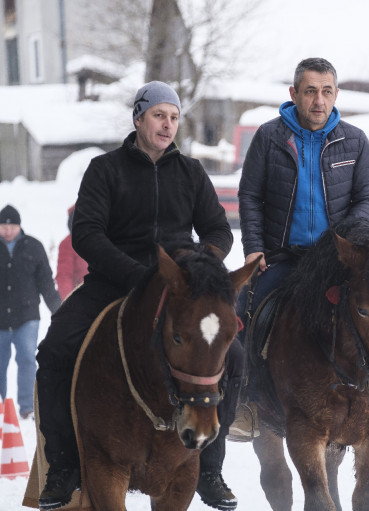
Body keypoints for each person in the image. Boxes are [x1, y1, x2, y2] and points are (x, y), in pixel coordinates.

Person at [35, 81, 242, 511]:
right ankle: (64, 467)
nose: (167, 125)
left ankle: (210, 468)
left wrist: (198, 265)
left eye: (173, 117)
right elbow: (86, 232)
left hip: (180, 287)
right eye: (158, 116)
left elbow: (219, 230)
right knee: (55, 350)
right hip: (115, 281)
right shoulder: (104, 169)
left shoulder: (191, 172)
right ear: (138, 119)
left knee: (235, 356)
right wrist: (136, 273)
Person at [232, 58, 369, 441]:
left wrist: (345, 242)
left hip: (339, 258)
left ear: (336, 94)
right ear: (294, 94)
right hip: (283, 255)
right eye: (310, 91)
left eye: (326, 91)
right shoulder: (269, 137)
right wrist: (254, 249)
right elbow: (249, 197)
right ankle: (248, 401)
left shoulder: (354, 139)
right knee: (247, 303)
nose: (318, 100)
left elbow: (367, 197)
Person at [0, 205, 61, 421]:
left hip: (27, 316)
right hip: (0, 320)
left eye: (12, 226)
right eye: (3, 226)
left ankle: (27, 406)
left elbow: (46, 282)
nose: (7, 231)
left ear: (19, 226)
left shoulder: (33, 247)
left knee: (27, 357)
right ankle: (1, 404)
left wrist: (60, 312)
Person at [55, 206, 88, 300]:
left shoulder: (100, 240)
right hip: (81, 299)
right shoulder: (68, 244)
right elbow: (64, 276)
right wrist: (69, 300)